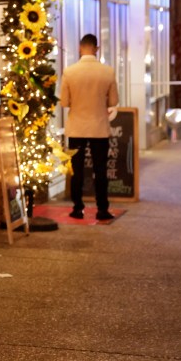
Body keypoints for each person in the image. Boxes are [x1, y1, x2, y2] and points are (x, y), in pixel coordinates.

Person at [61, 33, 119, 221]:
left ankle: (78, 208)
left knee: (77, 170)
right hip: (99, 127)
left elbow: (64, 102)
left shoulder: (69, 72)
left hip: (76, 127)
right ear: (96, 48)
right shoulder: (108, 72)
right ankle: (102, 208)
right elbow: (114, 101)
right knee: (100, 169)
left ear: (80, 48)